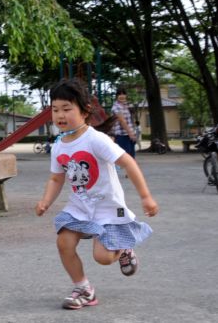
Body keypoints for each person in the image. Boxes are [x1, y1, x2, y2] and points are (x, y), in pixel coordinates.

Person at [35, 78, 159, 310]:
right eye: (55, 110)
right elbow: (56, 178)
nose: (60, 115)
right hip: (80, 207)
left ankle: (124, 248)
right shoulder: (59, 145)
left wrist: (145, 196)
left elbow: (128, 163)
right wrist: (46, 201)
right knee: (64, 242)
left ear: (85, 111)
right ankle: (84, 289)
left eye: (67, 109)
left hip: (108, 209)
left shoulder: (96, 139)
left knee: (102, 258)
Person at [111, 88, 137, 158]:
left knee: (132, 158)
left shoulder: (127, 105)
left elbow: (131, 120)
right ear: (116, 96)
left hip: (129, 135)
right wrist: (131, 134)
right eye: (119, 94)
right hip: (122, 136)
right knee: (126, 158)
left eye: (124, 94)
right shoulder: (116, 107)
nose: (122, 96)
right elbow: (122, 121)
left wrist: (133, 133)